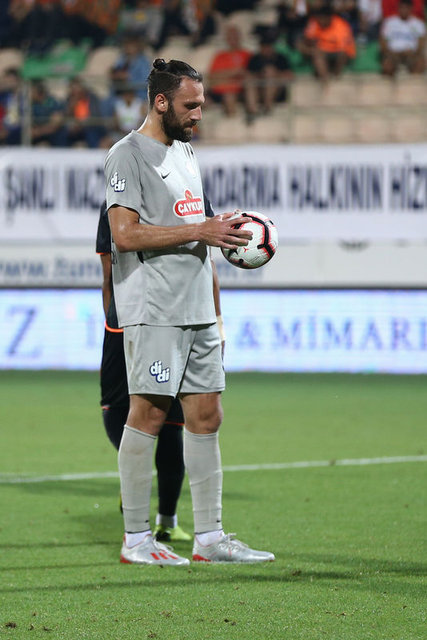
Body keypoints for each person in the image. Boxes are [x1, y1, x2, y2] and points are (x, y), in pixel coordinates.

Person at [105, 57, 275, 566]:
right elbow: (123, 235)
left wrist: (217, 311)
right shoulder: (126, 155)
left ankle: (210, 538)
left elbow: (197, 230)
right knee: (149, 413)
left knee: (206, 414)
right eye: (190, 105)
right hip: (155, 308)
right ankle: (137, 539)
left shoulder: (185, 151)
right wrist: (200, 229)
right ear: (160, 102)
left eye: (201, 104)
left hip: (197, 306)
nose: (199, 114)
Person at [96, 200, 192, 542]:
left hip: (175, 319)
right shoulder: (116, 202)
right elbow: (109, 274)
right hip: (126, 321)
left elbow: (206, 265)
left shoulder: (191, 193)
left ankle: (167, 520)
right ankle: (133, 473)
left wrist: (218, 322)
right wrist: (114, 323)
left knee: (172, 424)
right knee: (119, 410)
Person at [244, 30, 293, 123]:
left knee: (270, 72)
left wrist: (275, 73)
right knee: (250, 82)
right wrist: (261, 75)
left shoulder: (281, 58)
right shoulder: (254, 59)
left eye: (268, 46)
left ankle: (267, 107)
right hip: (259, 90)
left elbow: (290, 76)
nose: (267, 49)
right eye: (264, 46)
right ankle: (252, 111)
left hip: (277, 92)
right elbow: (247, 75)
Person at [298, 3, 356, 81]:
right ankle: (325, 80)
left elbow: (343, 48)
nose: (320, 21)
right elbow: (307, 39)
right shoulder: (315, 22)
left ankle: (336, 76)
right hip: (321, 51)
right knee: (314, 52)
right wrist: (311, 47)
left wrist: (322, 47)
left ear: (329, 17)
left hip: (338, 52)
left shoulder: (341, 25)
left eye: (322, 18)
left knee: (341, 54)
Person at [208, 24, 251, 117]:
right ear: (226, 39)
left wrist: (225, 75)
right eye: (230, 36)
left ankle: (233, 122)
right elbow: (212, 76)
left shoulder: (247, 55)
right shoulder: (220, 56)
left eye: (235, 35)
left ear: (240, 37)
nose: (233, 38)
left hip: (239, 91)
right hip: (219, 90)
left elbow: (247, 74)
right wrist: (233, 73)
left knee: (229, 95)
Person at [380, 0, 426, 76]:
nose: (404, 10)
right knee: (387, 65)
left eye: (406, 8)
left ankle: (412, 82)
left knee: (420, 64)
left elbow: (421, 43)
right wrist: (390, 52)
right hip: (393, 53)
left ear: (411, 9)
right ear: (398, 8)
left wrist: (414, 53)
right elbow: (383, 41)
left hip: (411, 54)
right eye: (402, 8)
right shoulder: (389, 22)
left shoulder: (418, 24)